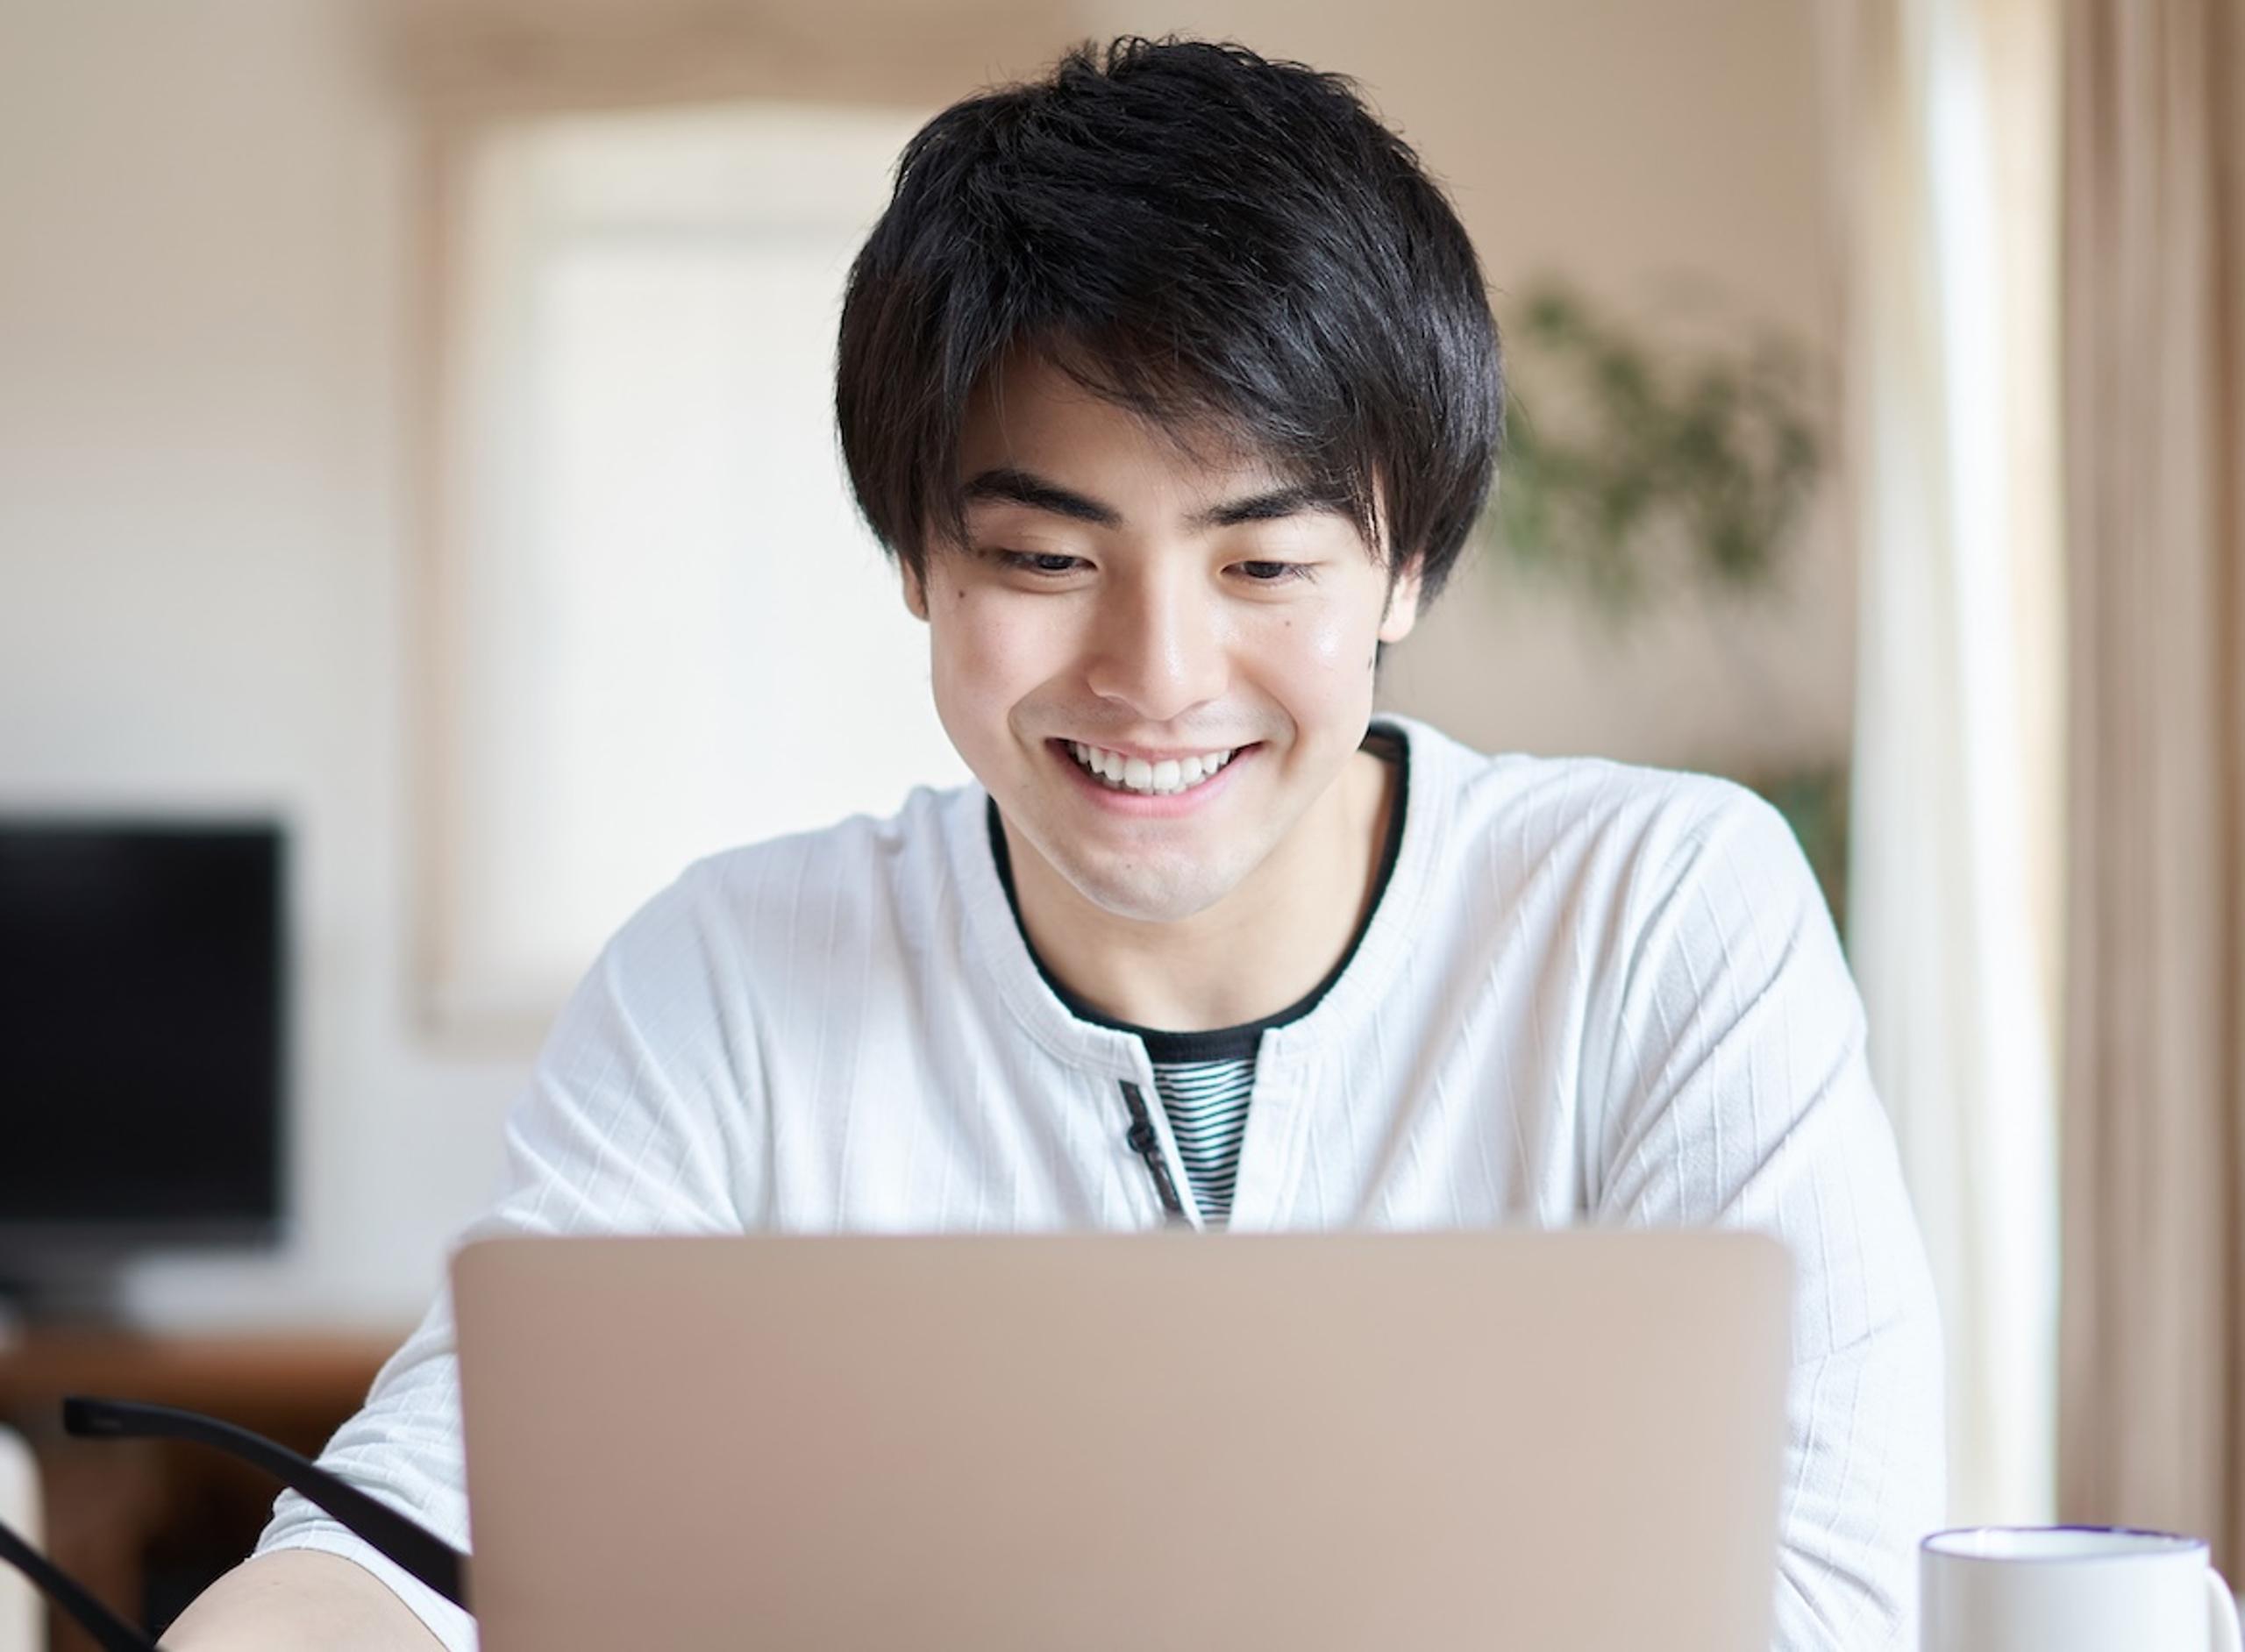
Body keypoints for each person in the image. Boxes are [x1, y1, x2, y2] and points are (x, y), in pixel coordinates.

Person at [167, 35, 1943, 1652]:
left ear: (1404, 564)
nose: (1157, 676)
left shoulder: (1655, 915)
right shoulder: (729, 980)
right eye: (1044, 559)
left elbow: (1823, 1597)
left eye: (1264, 564)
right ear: (916, 560)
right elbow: (415, 1540)